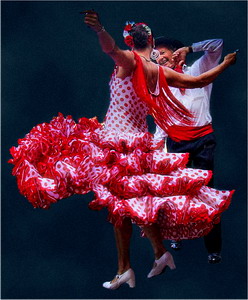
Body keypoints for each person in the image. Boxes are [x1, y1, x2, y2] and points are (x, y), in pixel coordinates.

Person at [9, 10, 236, 290]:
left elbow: (111, 49)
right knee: (133, 204)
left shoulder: (132, 61)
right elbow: (199, 82)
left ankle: (127, 268)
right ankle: (156, 255)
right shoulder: (158, 71)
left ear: (131, 42)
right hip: (136, 143)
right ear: (152, 42)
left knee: (120, 205)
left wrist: (100, 30)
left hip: (118, 144)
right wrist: (225, 65)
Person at [154, 36, 230, 263]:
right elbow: (161, 122)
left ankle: (213, 249)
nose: (160, 58)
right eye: (156, 56)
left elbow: (217, 45)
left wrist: (190, 48)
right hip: (177, 143)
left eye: (163, 52)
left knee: (208, 194)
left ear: (176, 52)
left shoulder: (198, 69)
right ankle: (177, 236)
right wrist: (158, 153)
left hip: (203, 140)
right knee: (177, 194)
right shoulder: (160, 83)